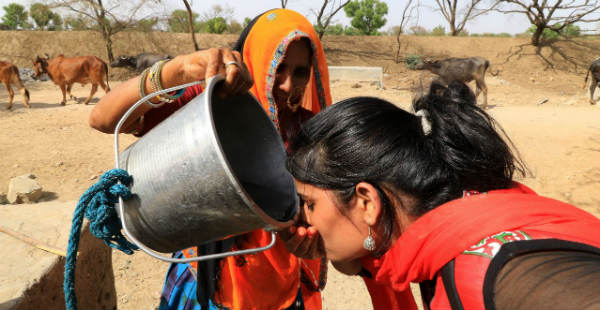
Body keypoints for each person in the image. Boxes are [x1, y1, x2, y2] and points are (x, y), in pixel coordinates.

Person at [89, 9, 331, 310]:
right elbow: (102, 119)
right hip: (205, 278)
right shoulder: (210, 106)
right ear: (254, 57)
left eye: (300, 72)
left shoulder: (313, 132)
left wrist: (310, 238)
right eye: (278, 67)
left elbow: (322, 215)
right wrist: (175, 70)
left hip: (277, 289)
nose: (285, 84)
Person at [286, 81, 600, 310]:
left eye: (309, 204)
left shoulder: (487, 273)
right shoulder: (473, 212)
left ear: (367, 203)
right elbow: (374, 259)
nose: (302, 217)